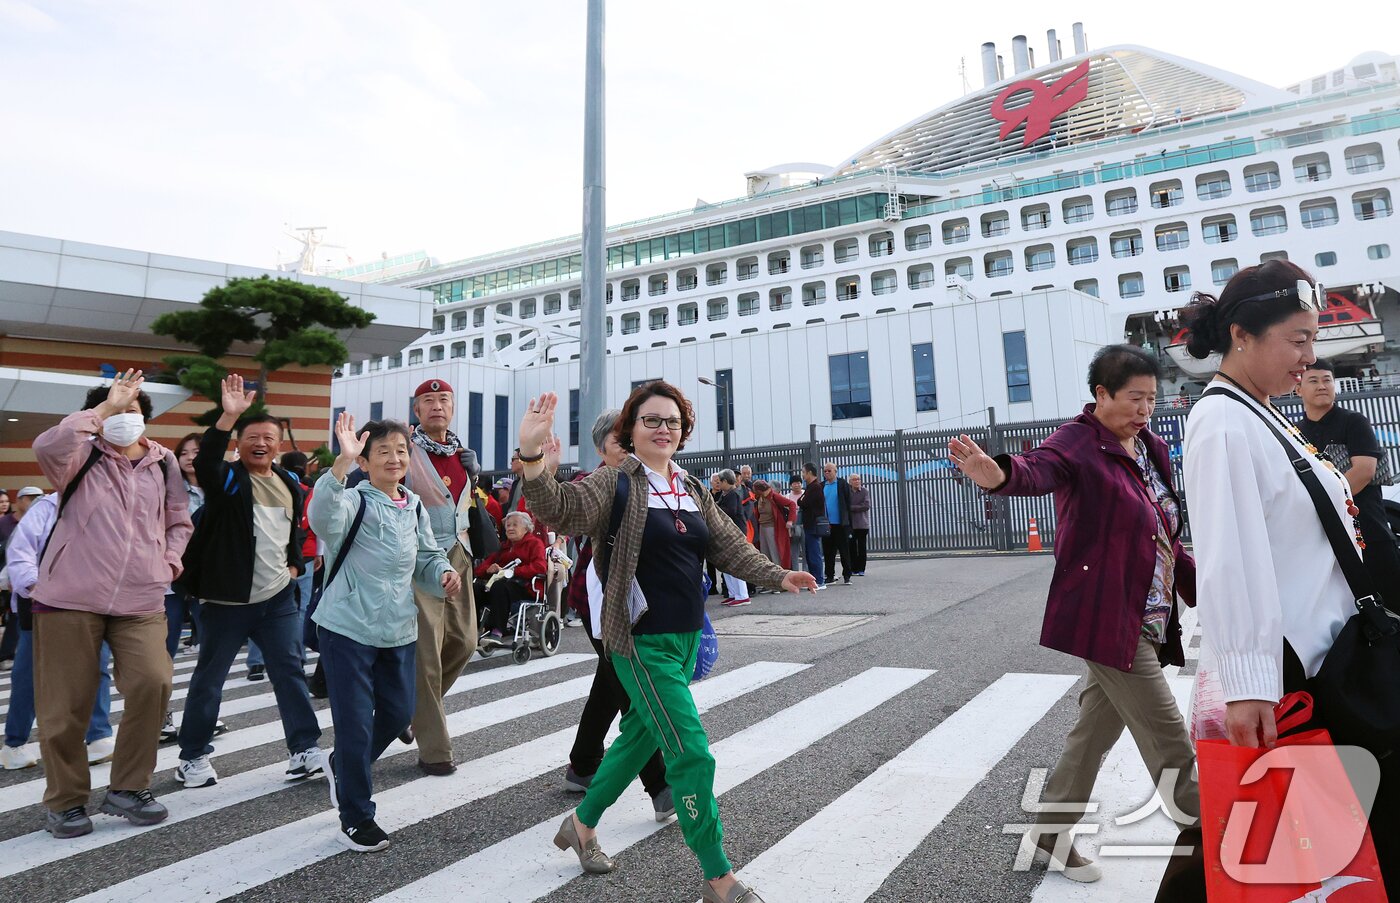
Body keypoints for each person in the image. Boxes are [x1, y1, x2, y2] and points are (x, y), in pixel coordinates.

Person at [519, 381, 817, 903]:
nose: (663, 429)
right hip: (640, 641)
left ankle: (581, 825)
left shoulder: (691, 487)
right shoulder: (615, 481)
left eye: (673, 421)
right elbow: (559, 509)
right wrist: (531, 454)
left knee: (639, 739)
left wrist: (778, 575)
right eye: (652, 420)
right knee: (692, 754)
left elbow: (728, 546)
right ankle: (718, 877)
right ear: (631, 430)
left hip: (684, 637)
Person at [1180, 261, 1399, 895]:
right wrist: (1248, 683)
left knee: (1338, 839)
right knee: (1316, 849)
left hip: (1335, 652)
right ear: (1242, 334)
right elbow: (1231, 558)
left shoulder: (1262, 413)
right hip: (1301, 672)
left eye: (1312, 340)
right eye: (1297, 340)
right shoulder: (1222, 422)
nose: (1309, 357)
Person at [948, 344, 1199, 884]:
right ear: (1101, 394)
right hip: (1110, 616)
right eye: (1134, 398)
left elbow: (1161, 525)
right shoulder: (1078, 442)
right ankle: (1215, 844)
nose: (1144, 409)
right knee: (1169, 739)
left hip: (1151, 612)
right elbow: (1038, 470)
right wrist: (997, 476)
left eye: (1152, 399)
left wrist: (1196, 574)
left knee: (1092, 733)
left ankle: (1050, 828)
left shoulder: (1149, 447)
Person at [30, 370, 193, 838]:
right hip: (69, 595)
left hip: (142, 594)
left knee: (153, 682)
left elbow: (178, 520)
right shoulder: (77, 453)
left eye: (133, 409)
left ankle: (128, 787)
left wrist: (169, 560)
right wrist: (102, 408)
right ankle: (65, 800)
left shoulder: (163, 463)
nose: (126, 417)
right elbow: (46, 445)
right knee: (66, 707)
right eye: (118, 410)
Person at [311, 414, 459, 852]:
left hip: (397, 628)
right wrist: (341, 464)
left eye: (401, 450)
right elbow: (322, 518)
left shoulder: (412, 504)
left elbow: (428, 557)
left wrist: (444, 573)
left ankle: (342, 766)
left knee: (397, 714)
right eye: (383, 451)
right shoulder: (352, 499)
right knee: (355, 725)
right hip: (347, 629)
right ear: (366, 459)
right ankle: (356, 816)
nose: (394, 458)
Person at [174, 373, 321, 789]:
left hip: (277, 600)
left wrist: (295, 566)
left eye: (270, 437)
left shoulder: (290, 484)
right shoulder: (229, 480)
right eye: (253, 436)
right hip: (225, 602)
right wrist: (227, 416)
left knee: (290, 672)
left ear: (279, 445)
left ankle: (304, 749)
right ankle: (193, 756)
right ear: (239, 443)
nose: (262, 443)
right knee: (209, 679)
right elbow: (205, 463)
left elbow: (294, 532)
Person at [558, 410, 673, 819]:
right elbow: (569, 505)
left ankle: (583, 764)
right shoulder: (596, 484)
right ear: (600, 450)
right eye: (618, 443)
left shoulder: (652, 479)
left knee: (610, 684)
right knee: (631, 689)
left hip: (642, 603)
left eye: (631, 439)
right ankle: (661, 785)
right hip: (602, 604)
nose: (628, 449)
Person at [382, 379, 482, 777]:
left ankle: (411, 710)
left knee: (465, 640)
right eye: (428, 400)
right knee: (426, 654)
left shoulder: (463, 454)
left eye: (443, 399)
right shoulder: (407, 450)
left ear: (453, 407)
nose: (437, 406)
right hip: (420, 558)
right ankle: (436, 750)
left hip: (461, 554)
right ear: (417, 410)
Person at [2, 490, 116, 771]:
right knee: (30, 672)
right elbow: (21, 551)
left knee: (96, 666)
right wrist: (33, 587)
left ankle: (98, 735)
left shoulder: (109, 502)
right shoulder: (46, 507)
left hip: (91, 601)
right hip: (42, 602)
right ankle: (14, 743)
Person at [1296, 358, 1400, 612]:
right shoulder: (1295, 432)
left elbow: (1364, 471)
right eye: (1313, 380)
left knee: (1392, 604)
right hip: (1323, 541)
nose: (1322, 386)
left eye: (1327, 380)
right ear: (1298, 389)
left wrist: (1322, 507)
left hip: (1368, 533)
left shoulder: (1354, 421)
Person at [160, 433, 210, 742]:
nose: (190, 456)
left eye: (197, 451)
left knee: (211, 654)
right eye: (185, 452)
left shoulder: (221, 488)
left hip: (208, 582)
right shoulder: (169, 490)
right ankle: (161, 716)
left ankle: (201, 717)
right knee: (163, 652)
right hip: (172, 579)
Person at [473, 511, 547, 645]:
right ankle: (475, 628)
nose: (510, 528)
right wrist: (488, 569)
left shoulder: (535, 544)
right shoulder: (503, 546)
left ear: (526, 528)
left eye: (515, 525)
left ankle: (497, 631)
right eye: (508, 525)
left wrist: (513, 571)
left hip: (526, 586)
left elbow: (540, 567)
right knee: (475, 588)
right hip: (501, 585)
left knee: (499, 587)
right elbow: (479, 570)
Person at [713, 470, 751, 607]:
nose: (718, 483)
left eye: (719, 481)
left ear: (725, 481)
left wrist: (716, 508)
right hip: (728, 533)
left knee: (736, 564)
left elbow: (731, 511)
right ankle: (733, 593)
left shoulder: (733, 494)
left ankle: (742, 595)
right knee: (727, 565)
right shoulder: (725, 494)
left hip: (736, 532)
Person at [820, 462, 854, 586]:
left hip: (840, 524)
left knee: (844, 551)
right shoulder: (821, 485)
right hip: (826, 525)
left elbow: (848, 503)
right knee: (828, 552)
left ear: (835, 471)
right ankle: (829, 575)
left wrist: (849, 524)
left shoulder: (842, 484)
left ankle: (847, 576)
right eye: (825, 471)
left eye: (829, 471)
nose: (827, 473)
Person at [751, 480, 797, 569]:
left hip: (772, 528)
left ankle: (778, 572)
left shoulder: (774, 496)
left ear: (760, 490)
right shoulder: (760, 497)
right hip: (762, 527)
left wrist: (790, 520)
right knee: (765, 553)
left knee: (774, 552)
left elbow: (792, 504)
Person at [797, 464, 826, 589]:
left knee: (814, 553)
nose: (802, 475)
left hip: (813, 525)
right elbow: (801, 501)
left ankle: (819, 580)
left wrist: (801, 501)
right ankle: (813, 580)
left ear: (809, 473)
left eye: (803, 472)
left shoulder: (815, 487)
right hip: (809, 524)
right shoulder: (810, 487)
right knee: (809, 553)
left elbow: (803, 502)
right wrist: (801, 501)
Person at [848, 473, 871, 577]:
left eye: (858, 479)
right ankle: (853, 568)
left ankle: (861, 568)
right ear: (850, 481)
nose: (857, 481)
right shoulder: (847, 492)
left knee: (861, 547)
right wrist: (857, 507)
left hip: (862, 524)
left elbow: (866, 506)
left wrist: (851, 508)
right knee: (852, 547)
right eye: (854, 479)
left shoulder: (864, 491)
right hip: (851, 524)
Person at [784, 477, 806, 573]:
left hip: (804, 525)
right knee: (794, 550)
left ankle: (806, 572)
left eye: (798, 483)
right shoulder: (787, 496)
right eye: (794, 483)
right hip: (792, 526)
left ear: (801, 484)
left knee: (806, 550)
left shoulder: (805, 494)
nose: (796, 485)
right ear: (790, 485)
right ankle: (795, 573)